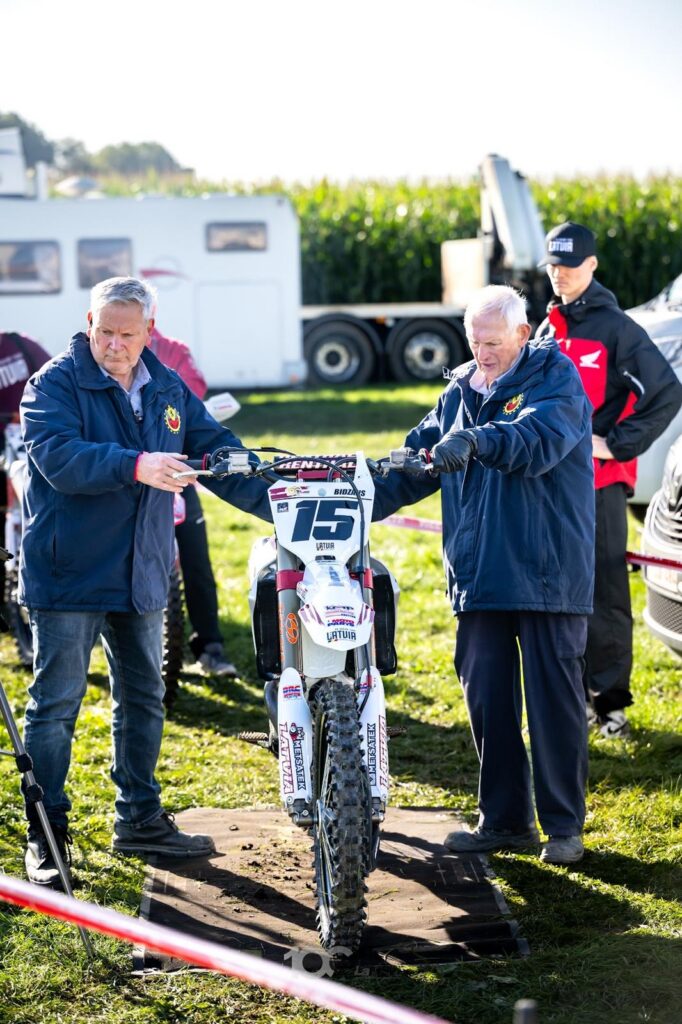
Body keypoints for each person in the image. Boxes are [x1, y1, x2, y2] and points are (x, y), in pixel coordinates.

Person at [18, 277, 271, 889]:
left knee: (144, 697)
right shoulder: (52, 384)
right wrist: (136, 464)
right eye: (104, 331)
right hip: (69, 573)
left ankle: (139, 818)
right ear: (88, 323)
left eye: (127, 334)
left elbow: (216, 450)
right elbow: (58, 457)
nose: (114, 344)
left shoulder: (166, 386)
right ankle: (46, 833)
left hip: (142, 572)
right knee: (57, 704)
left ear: (149, 331)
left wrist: (281, 493)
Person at [373, 284, 595, 865]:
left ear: (523, 334)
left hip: (547, 575)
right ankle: (504, 821)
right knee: (489, 704)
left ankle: (564, 828)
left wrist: (477, 440)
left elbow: (537, 441)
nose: (483, 354)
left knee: (554, 707)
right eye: (475, 342)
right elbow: (416, 461)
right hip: (479, 577)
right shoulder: (458, 393)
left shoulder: (556, 379)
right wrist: (354, 488)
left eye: (493, 343)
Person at [535, 222, 682, 738]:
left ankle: (611, 704)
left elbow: (666, 392)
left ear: (592, 265)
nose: (560, 274)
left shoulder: (616, 328)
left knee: (605, 592)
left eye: (570, 265)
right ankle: (572, 697)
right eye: (553, 265)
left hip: (599, 486)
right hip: (550, 486)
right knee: (557, 592)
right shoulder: (548, 328)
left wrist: (616, 444)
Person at [148, 325, 237, 677]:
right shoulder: (106, 351)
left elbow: (192, 396)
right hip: (131, 473)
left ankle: (210, 647)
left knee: (196, 558)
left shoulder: (174, 351)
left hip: (178, 470)